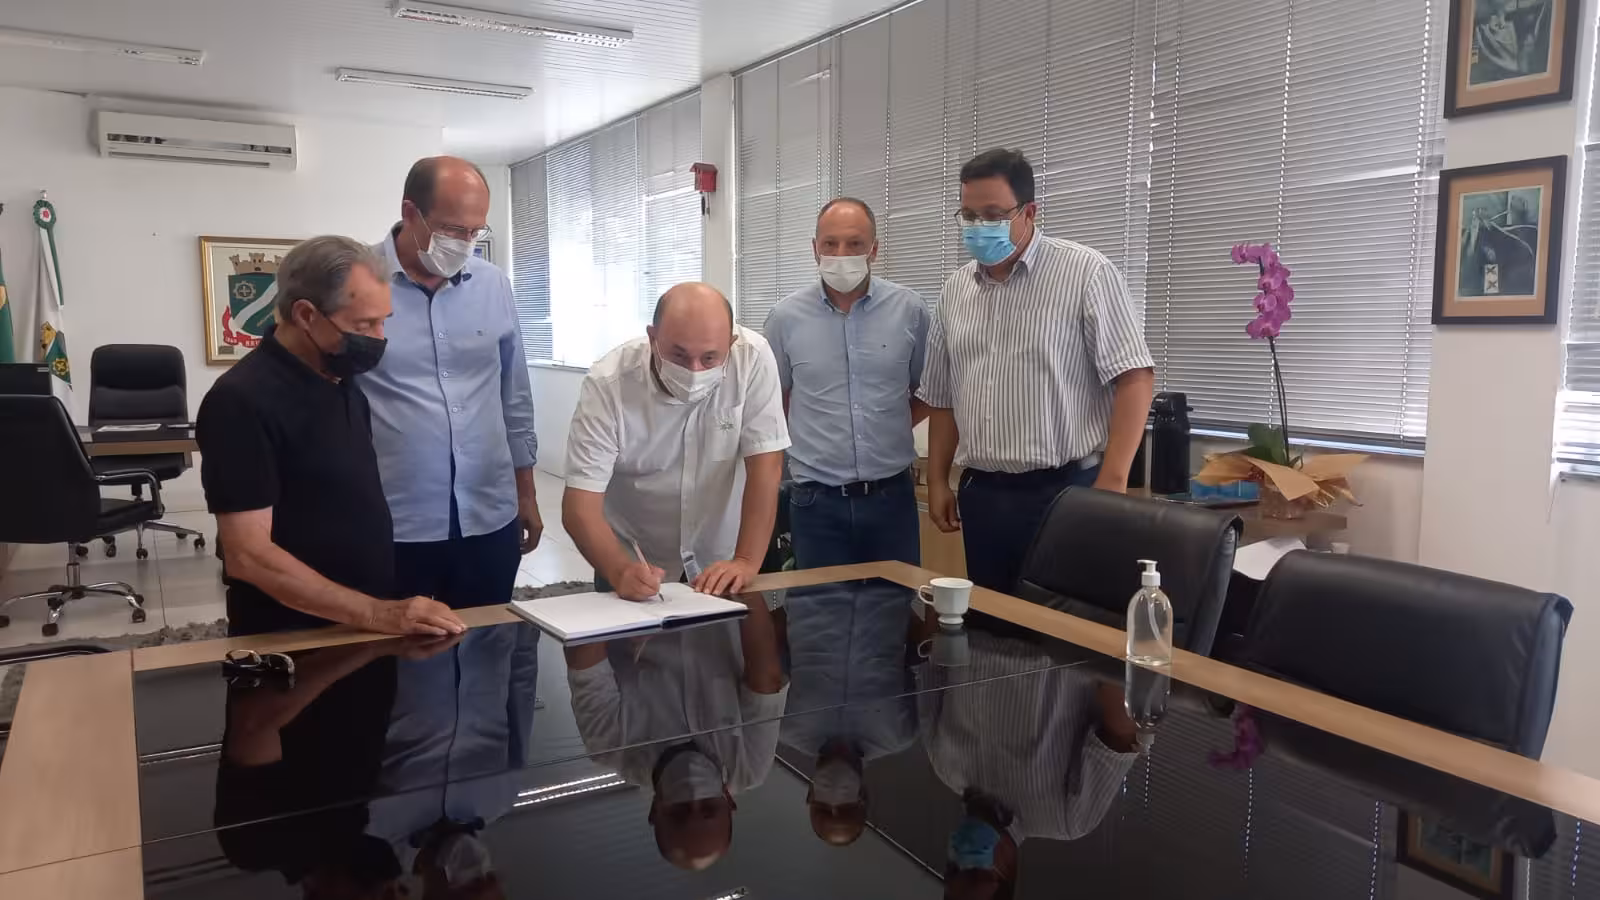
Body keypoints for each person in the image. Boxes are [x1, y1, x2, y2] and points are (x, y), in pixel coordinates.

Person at [197, 236, 466, 637]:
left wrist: (377, 612)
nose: (378, 338)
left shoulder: (342, 377)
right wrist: (376, 613)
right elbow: (248, 555)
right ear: (306, 314)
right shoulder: (240, 400)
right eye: (363, 325)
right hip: (291, 637)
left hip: (360, 621)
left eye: (383, 321)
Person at [919, 149, 1156, 593]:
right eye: (969, 215)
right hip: (983, 494)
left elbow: (1135, 377)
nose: (978, 227)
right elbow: (943, 397)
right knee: (992, 624)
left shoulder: (1085, 273)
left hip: (1066, 490)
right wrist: (937, 479)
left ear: (1029, 212)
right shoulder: (955, 290)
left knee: (1061, 622)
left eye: (993, 215)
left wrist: (1113, 481)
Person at [362, 156, 541, 612]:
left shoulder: (493, 285)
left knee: (489, 638)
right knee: (396, 647)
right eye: (452, 229)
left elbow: (515, 396)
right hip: (394, 519)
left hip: (488, 513)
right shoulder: (358, 282)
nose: (465, 243)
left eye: (476, 231)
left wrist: (525, 492)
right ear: (410, 213)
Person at [563, 282, 790, 600]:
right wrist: (619, 570)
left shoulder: (752, 358)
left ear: (731, 343)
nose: (694, 371)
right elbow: (580, 506)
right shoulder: (608, 384)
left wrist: (745, 560)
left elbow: (766, 467)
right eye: (679, 356)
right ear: (652, 338)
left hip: (724, 553)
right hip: (634, 557)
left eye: (710, 358)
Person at [763, 198, 930, 569]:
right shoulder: (784, 318)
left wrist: (889, 424)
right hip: (815, 501)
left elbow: (928, 390)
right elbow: (775, 402)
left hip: (892, 497)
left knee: (894, 599)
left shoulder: (911, 310)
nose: (841, 254)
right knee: (820, 603)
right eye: (830, 243)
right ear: (815, 249)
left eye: (855, 244)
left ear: (874, 249)